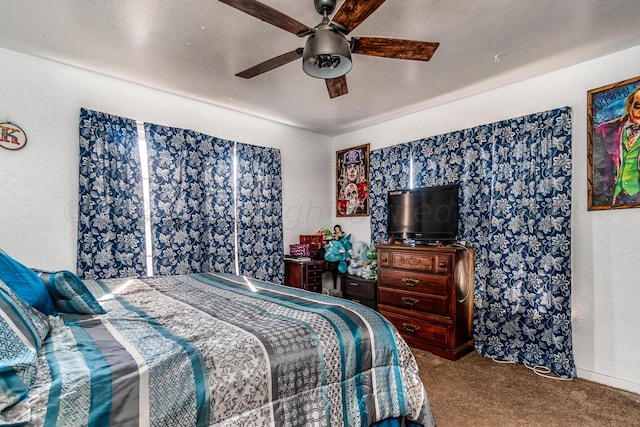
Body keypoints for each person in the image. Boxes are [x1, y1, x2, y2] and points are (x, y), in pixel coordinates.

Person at [593, 86, 640, 206]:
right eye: (637, 106)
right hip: (615, 196)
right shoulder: (606, 130)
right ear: (629, 106)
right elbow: (600, 168)